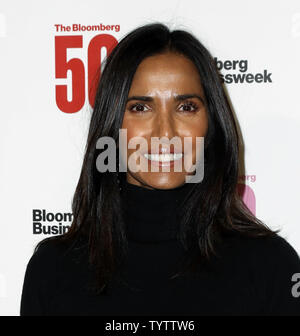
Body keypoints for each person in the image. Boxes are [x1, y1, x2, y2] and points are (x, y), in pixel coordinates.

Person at [20, 22, 300, 316]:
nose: (165, 133)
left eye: (186, 107)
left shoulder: (271, 267)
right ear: (112, 125)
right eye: (141, 108)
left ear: (211, 125)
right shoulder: (53, 270)